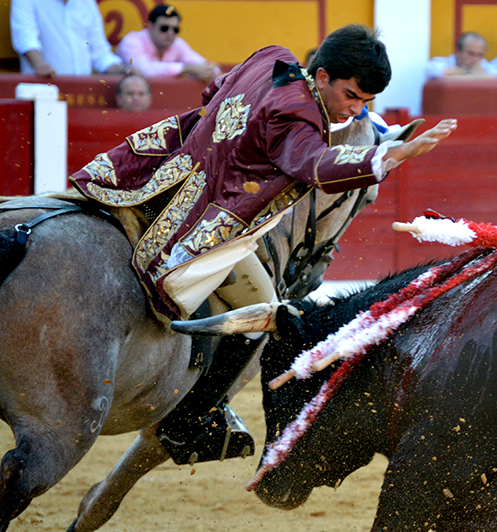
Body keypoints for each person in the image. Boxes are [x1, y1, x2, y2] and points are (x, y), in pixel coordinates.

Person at [70, 24, 457, 464]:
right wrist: (388, 155)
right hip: (205, 217)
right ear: (324, 76)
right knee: (264, 312)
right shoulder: (301, 115)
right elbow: (314, 163)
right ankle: (189, 422)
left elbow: (215, 89)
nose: (355, 110)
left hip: (162, 171)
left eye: (366, 103)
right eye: (352, 96)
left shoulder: (271, 58)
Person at [10, 0, 128, 77]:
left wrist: (125, 71)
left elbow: (100, 54)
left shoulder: (87, 3)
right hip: (44, 89)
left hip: (81, 93)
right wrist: (40, 65)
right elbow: (26, 39)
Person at [116, 4, 221, 83]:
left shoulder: (177, 43)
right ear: (150, 26)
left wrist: (207, 71)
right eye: (164, 28)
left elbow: (211, 68)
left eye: (175, 29)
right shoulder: (132, 41)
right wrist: (186, 69)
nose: (170, 33)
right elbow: (144, 70)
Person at [424, 31, 497, 80]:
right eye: (471, 53)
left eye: (480, 55)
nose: (476, 59)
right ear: (458, 51)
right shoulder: (445, 62)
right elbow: (432, 70)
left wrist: (455, 77)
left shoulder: (483, 64)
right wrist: (473, 73)